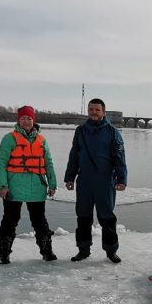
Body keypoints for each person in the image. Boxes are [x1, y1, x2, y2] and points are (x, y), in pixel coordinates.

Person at [64, 98, 127, 263]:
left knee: (107, 218)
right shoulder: (80, 131)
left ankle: (111, 251)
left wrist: (121, 179)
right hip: (84, 181)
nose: (94, 112)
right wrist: (70, 177)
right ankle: (83, 250)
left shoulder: (112, 132)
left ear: (103, 112)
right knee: (83, 217)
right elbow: (74, 155)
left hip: (105, 181)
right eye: (91, 109)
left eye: (97, 110)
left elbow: (119, 158)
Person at [0, 105, 58, 263]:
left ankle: (47, 252)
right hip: (14, 187)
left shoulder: (42, 140)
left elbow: (49, 163)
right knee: (10, 220)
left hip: (37, 187)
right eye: (23, 118)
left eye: (29, 118)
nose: (26, 121)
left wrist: (52, 184)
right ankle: (4, 254)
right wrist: (2, 185)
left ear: (33, 120)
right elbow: (1, 163)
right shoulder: (9, 138)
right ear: (18, 120)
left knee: (39, 221)